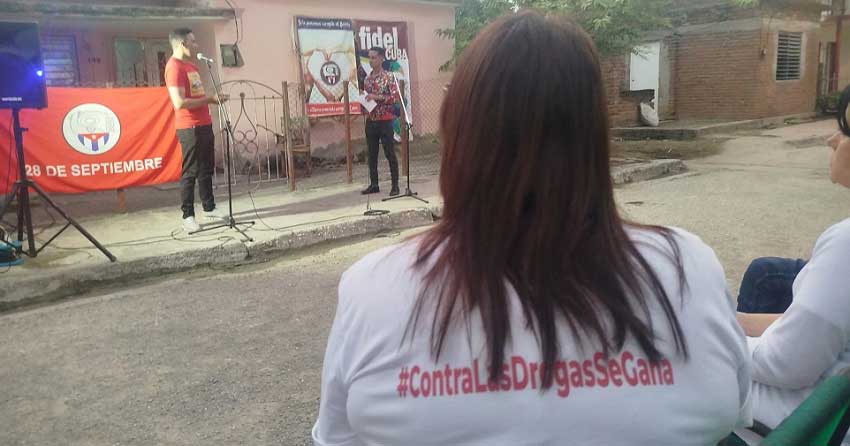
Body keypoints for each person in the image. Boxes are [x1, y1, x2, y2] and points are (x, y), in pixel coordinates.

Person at [312, 11, 751, 446]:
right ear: (595, 137)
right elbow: (736, 408)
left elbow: (338, 438)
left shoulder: (374, 288)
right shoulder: (688, 268)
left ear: (458, 135)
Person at [736, 91, 850, 435]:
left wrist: (708, 335)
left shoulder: (845, 245)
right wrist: (732, 321)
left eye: (844, 130)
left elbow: (784, 365)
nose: (832, 139)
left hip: (800, 424)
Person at [164, 27, 227, 232]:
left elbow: (196, 96)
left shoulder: (191, 66)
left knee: (206, 168)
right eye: (192, 41)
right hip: (189, 126)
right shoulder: (174, 68)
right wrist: (209, 99)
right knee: (190, 171)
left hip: (204, 123)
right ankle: (188, 215)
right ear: (182, 43)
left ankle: (209, 208)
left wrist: (212, 97)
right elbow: (179, 102)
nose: (196, 44)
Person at [360, 46, 400, 196]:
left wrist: (377, 97)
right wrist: (364, 102)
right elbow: (367, 98)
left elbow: (394, 98)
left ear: (381, 58)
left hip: (385, 120)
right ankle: (374, 184)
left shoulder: (389, 77)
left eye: (374, 57)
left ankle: (395, 186)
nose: (371, 60)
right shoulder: (367, 79)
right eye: (369, 57)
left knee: (390, 153)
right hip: (371, 120)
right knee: (372, 154)